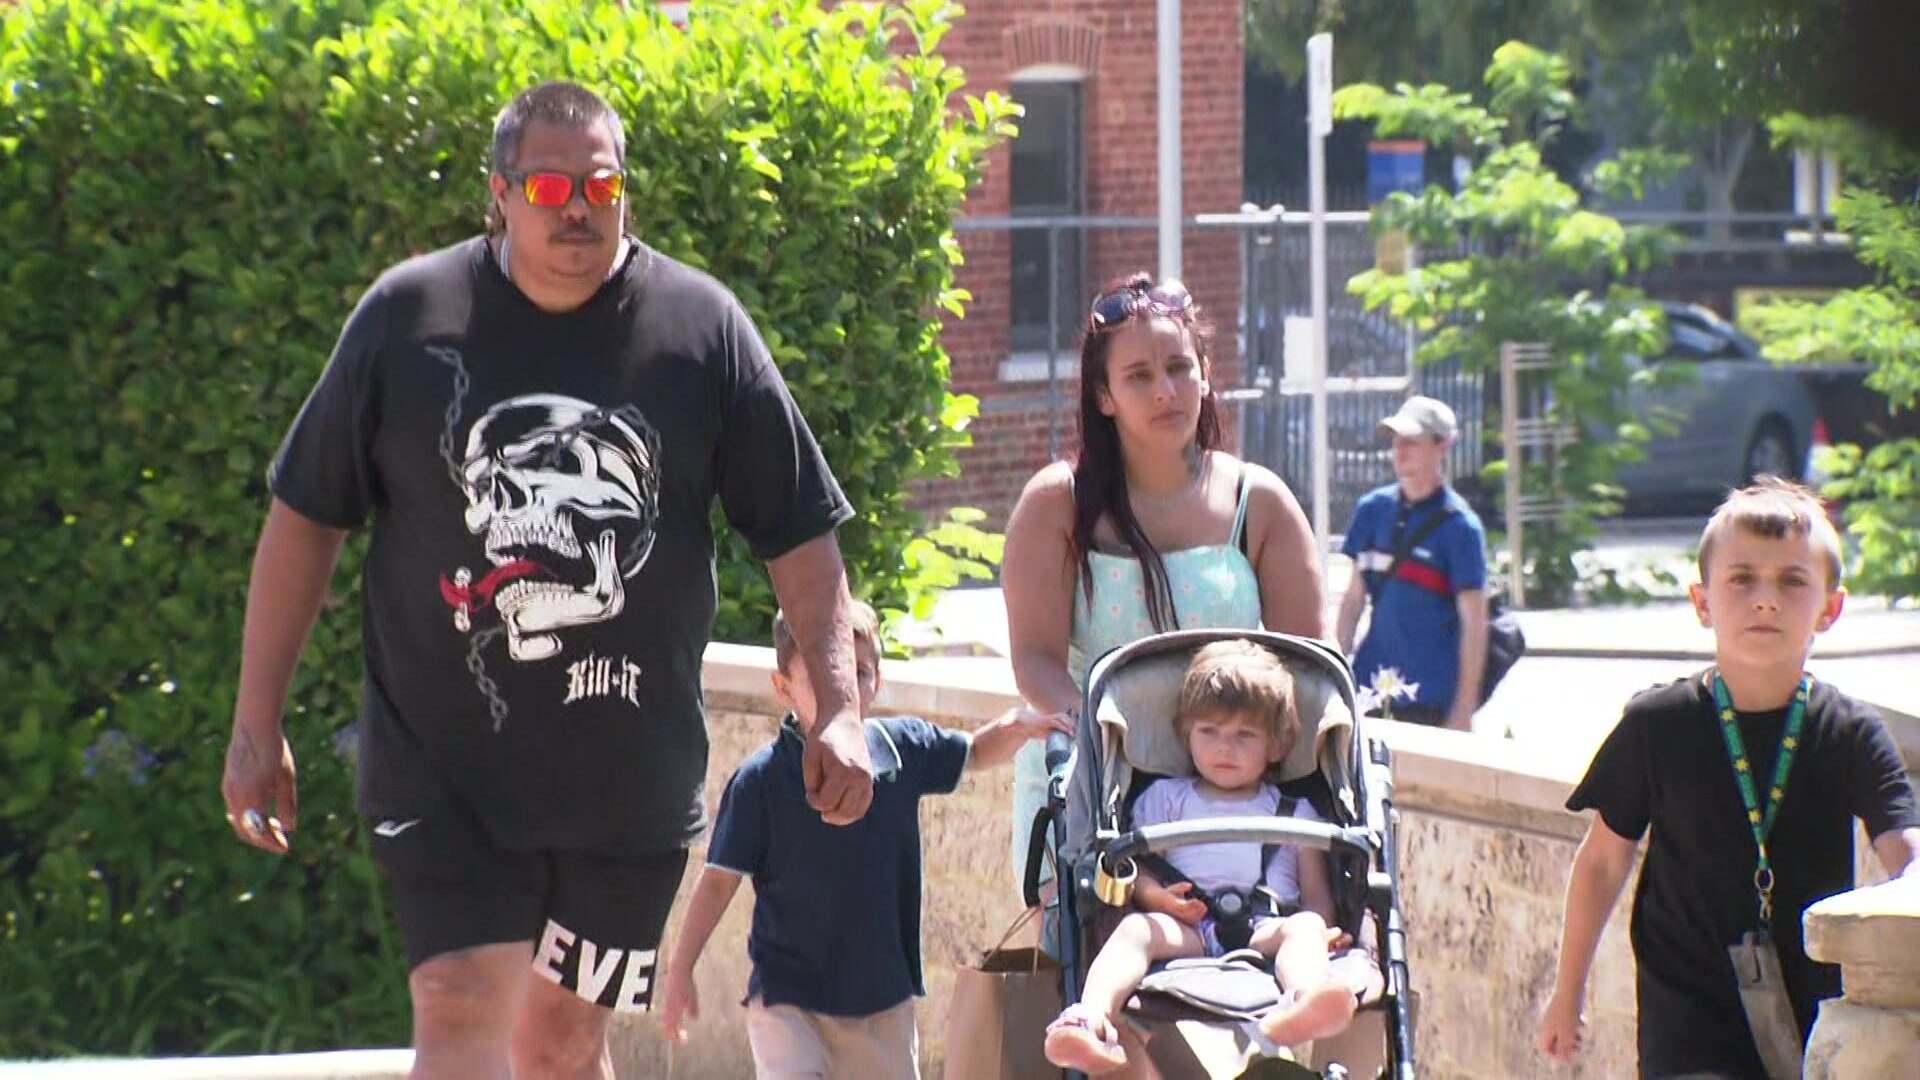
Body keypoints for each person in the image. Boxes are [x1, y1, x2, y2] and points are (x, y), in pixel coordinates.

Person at [218, 81, 877, 1080]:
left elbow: (800, 538)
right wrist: (255, 722)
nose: (578, 206)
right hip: (442, 774)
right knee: (458, 1006)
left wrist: (839, 712)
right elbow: (307, 517)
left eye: (601, 183)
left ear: (627, 195)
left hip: (627, 787)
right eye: (552, 184)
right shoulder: (409, 320)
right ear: (501, 194)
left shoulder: (701, 331)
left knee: (563, 1046)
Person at [1537, 476, 1920, 1078]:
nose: (1765, 599)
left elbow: (1906, 853)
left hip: (1813, 1021)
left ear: (1830, 608)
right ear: (1702, 601)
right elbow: (1602, 863)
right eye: (1742, 579)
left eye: (1792, 581)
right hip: (1686, 1027)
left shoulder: (1848, 731)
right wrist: (1568, 993)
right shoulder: (1655, 724)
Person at [1001, 272, 1325, 944]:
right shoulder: (1056, 504)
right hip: (1101, 791)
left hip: (1235, 796)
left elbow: (1308, 667)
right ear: (1104, 394)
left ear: (1206, 375)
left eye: (1180, 367)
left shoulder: (1258, 503)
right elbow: (1034, 659)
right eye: (1140, 375)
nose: (1165, 390)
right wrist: (1109, 748)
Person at [655, 601, 1071, 1077]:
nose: (845, 689)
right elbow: (718, 881)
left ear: (879, 678)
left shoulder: (902, 749)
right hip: (789, 1002)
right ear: (783, 688)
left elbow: (974, 752)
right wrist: (681, 968)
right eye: (823, 675)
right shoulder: (761, 781)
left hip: (882, 1001)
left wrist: (1018, 727)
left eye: (859, 672)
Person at [1041, 640, 1364, 1075]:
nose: (1223, 748)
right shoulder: (1167, 799)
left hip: (1264, 927)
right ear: (1185, 734)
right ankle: (1090, 1018)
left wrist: (1320, 933)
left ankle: (1305, 997)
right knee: (1136, 928)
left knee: (1304, 926)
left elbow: (1316, 895)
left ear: (1277, 744)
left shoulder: (1295, 811)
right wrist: (1158, 899)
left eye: (1243, 735)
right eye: (1208, 732)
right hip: (1187, 926)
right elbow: (1130, 868)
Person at [1334, 395, 1489, 730]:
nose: (1399, 450)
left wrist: (1463, 709)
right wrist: (1331, 673)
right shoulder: (1371, 510)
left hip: (1430, 698)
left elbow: (1475, 625)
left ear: (1442, 446)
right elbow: (1353, 600)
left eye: (1412, 442)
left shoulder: (1461, 528)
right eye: (1396, 440)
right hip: (1370, 690)